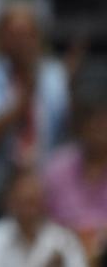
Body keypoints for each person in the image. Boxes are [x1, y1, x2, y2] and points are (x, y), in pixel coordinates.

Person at [0, 3, 69, 221]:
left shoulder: (54, 75)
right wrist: (25, 96)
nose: (22, 42)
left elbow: (64, 132)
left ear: (38, 38)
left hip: (43, 171)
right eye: (15, 34)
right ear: (1, 37)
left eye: (28, 34)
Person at [0, 169, 88, 267]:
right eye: (22, 202)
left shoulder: (65, 241)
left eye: (34, 202)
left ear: (45, 203)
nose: (29, 211)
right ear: (8, 202)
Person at [44, 81, 107, 262]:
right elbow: (44, 225)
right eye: (91, 120)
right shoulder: (57, 168)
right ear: (79, 125)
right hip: (65, 254)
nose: (97, 128)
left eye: (103, 121)